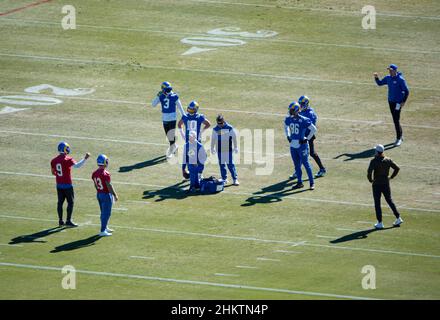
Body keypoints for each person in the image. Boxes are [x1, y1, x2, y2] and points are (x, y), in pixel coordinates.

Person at [50, 142, 90, 227]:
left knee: (60, 203)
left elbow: (53, 172)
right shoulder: (68, 159)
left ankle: (60, 221)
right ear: (65, 149)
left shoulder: (53, 160)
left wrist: (60, 176)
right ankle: (68, 221)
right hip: (67, 185)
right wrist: (85, 158)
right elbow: (77, 166)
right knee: (70, 202)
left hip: (59, 184)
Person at [367, 144, 403, 229]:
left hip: (376, 185)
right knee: (389, 200)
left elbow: (369, 172)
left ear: (377, 152)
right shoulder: (388, 160)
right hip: (386, 183)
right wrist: (391, 177)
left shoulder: (374, 161)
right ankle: (398, 217)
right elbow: (397, 168)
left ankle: (380, 222)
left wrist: (370, 180)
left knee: (377, 203)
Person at [374, 64, 410, 147]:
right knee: (395, 119)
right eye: (389, 70)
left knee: (396, 120)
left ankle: (399, 138)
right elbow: (380, 83)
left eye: (391, 70)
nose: (389, 71)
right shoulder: (388, 78)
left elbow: (407, 91)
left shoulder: (401, 80)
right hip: (390, 102)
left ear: (395, 70)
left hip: (398, 103)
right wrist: (376, 77)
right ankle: (400, 135)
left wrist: (403, 101)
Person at [284, 102, 317, 190]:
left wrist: (307, 138)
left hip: (302, 145)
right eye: (290, 110)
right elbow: (285, 126)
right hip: (293, 145)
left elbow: (313, 129)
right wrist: (287, 135)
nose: (290, 112)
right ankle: (299, 183)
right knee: (297, 165)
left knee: (306, 164)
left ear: (296, 110)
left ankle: (312, 183)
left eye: (292, 110)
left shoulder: (304, 119)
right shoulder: (288, 119)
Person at [151, 81, 185, 158]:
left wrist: (184, 116)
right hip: (165, 118)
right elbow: (153, 104)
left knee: (171, 135)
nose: (168, 91)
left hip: (172, 118)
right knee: (168, 135)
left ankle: (171, 152)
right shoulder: (161, 95)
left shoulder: (174, 96)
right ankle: (175, 146)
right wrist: (158, 96)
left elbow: (180, 107)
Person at [178, 101, 210, 179]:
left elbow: (179, 125)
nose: (190, 111)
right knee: (191, 157)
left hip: (195, 141)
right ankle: (193, 173)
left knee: (199, 157)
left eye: (192, 110)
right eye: (190, 109)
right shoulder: (198, 117)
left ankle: (198, 173)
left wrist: (200, 132)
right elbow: (208, 124)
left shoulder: (187, 117)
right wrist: (201, 132)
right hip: (191, 140)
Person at [299, 95, 327, 178]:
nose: (300, 105)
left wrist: (307, 138)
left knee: (311, 153)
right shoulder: (303, 111)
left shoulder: (310, 113)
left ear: (306, 103)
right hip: (302, 136)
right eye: (300, 103)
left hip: (308, 136)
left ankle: (322, 169)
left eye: (302, 103)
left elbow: (311, 127)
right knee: (301, 153)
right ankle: (297, 171)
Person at [92, 154, 119, 237]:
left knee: (103, 212)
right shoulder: (105, 173)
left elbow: (95, 185)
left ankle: (105, 227)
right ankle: (102, 230)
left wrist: (99, 192)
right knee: (106, 213)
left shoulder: (94, 173)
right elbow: (109, 185)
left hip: (99, 194)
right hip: (106, 195)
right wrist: (114, 194)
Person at [211, 114, 239, 186]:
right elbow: (213, 139)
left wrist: (236, 147)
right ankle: (224, 178)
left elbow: (234, 137)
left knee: (230, 164)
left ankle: (235, 179)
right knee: (222, 165)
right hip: (219, 149)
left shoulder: (229, 127)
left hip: (228, 149)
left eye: (221, 123)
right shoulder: (215, 129)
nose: (219, 125)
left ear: (223, 121)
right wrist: (212, 148)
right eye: (218, 123)